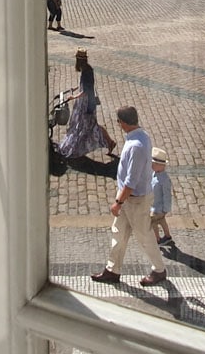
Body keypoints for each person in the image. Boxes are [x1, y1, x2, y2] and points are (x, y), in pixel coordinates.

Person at [91, 106, 168, 287]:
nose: (118, 125)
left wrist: (118, 202)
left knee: (144, 236)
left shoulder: (136, 146)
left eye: (118, 122)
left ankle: (159, 270)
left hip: (135, 199)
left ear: (123, 123)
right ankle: (112, 270)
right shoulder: (141, 136)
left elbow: (131, 181)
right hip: (129, 197)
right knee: (118, 232)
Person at [57, 49, 115, 160]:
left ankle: (109, 142)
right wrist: (76, 88)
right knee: (91, 125)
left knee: (88, 125)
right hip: (87, 103)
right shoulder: (87, 69)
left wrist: (74, 97)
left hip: (87, 105)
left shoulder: (86, 72)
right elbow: (84, 87)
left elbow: (86, 91)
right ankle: (109, 142)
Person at [150, 147, 174, 247]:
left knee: (152, 222)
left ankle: (157, 239)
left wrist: (165, 209)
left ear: (160, 165)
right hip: (154, 204)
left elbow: (167, 195)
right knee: (162, 221)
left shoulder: (164, 180)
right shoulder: (155, 173)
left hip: (158, 208)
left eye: (153, 164)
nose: (151, 165)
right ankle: (167, 237)